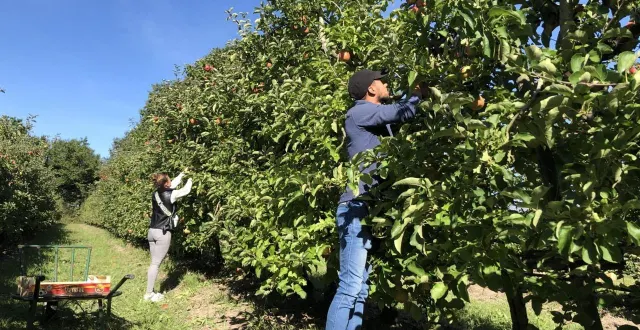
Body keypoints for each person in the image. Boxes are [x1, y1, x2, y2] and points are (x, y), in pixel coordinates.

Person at [325, 69, 424, 330]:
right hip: (355, 208)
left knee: (360, 289)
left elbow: (395, 112)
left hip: (370, 208)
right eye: (381, 81)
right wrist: (417, 95)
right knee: (349, 288)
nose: (387, 83)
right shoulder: (359, 112)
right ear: (371, 89)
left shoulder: (373, 118)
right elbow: (402, 111)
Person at [144, 169, 193, 302]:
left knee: (153, 263)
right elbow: (185, 190)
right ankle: (148, 294)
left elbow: (173, 185)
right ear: (165, 183)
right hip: (163, 232)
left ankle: (151, 291)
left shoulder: (156, 194)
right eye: (169, 180)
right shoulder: (171, 194)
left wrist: (182, 174)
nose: (171, 181)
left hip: (152, 231)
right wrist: (191, 179)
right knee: (155, 264)